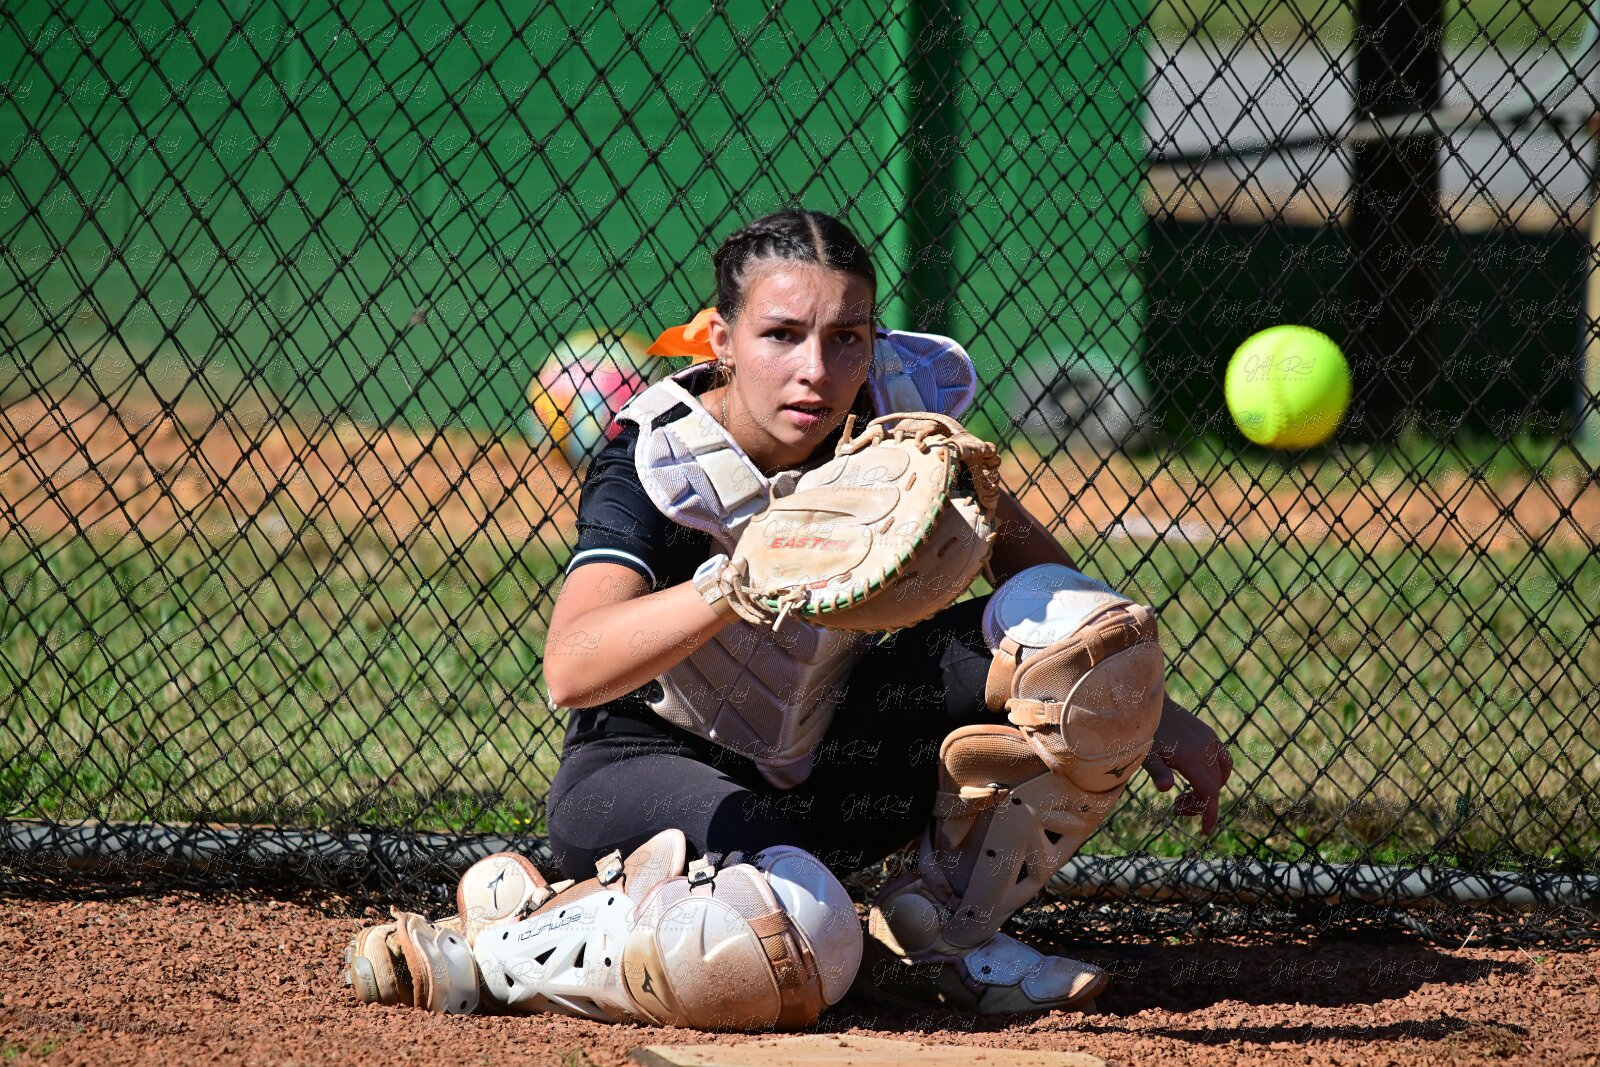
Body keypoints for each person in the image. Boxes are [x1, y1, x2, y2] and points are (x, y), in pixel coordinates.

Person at [537, 208, 1233, 1018]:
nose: (816, 370)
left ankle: (939, 931)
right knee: (796, 940)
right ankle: (519, 941)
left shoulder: (888, 413)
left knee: (1090, 644)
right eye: (781, 335)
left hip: (834, 769)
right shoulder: (660, 457)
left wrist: (1134, 696)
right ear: (722, 339)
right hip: (647, 775)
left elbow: (1026, 561)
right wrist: (735, 584)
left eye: (846, 337)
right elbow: (571, 666)